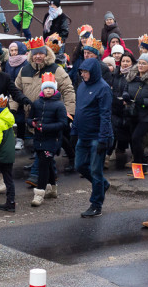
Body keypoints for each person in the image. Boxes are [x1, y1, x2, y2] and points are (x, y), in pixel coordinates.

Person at [72, 58, 113, 218]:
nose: (83, 74)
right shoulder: (82, 86)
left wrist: (103, 138)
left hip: (98, 136)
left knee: (96, 170)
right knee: (80, 165)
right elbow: (79, 109)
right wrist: (74, 131)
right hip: (84, 134)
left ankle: (96, 204)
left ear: (94, 71)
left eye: (86, 71)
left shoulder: (103, 88)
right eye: (81, 71)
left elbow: (105, 115)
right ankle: (103, 184)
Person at [26, 74, 69, 207]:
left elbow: (63, 124)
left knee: (43, 165)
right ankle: (53, 190)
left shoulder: (59, 105)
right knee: (48, 163)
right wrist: (33, 124)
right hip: (38, 139)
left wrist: (45, 127)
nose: (48, 90)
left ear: (54, 89)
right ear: (42, 89)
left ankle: (39, 194)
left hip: (52, 140)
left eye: (51, 88)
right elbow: (29, 118)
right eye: (46, 88)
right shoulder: (37, 103)